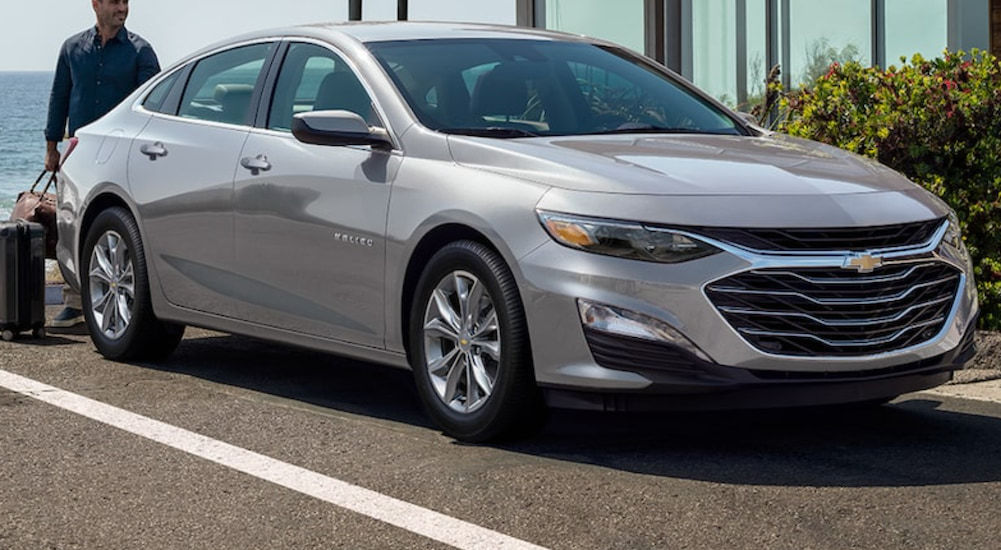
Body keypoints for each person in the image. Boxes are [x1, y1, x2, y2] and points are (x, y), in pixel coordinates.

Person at [44, 0, 160, 328]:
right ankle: (74, 300)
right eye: (114, 1)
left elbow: (152, 106)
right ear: (95, 4)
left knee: (115, 224)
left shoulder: (141, 52)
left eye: (126, 2)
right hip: (78, 152)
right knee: (71, 224)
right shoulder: (72, 49)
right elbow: (59, 97)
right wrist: (51, 146)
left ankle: (128, 299)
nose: (122, 8)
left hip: (121, 155)